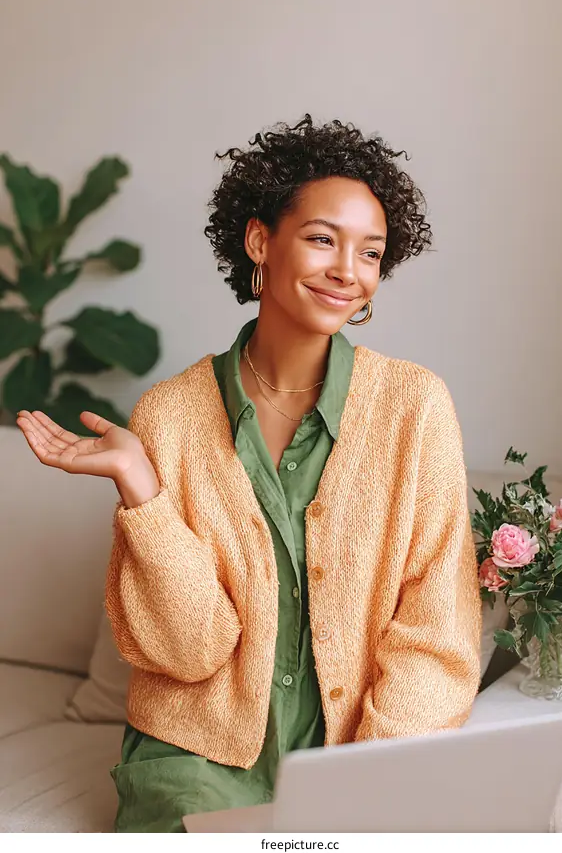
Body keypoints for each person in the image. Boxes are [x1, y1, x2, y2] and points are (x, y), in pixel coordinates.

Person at [16, 114, 482, 833]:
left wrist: (372, 777)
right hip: (197, 756)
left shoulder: (415, 408)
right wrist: (141, 492)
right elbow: (188, 650)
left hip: (356, 751)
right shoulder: (168, 416)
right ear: (261, 240)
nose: (346, 271)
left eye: (370, 253)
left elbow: (436, 631)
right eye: (323, 239)